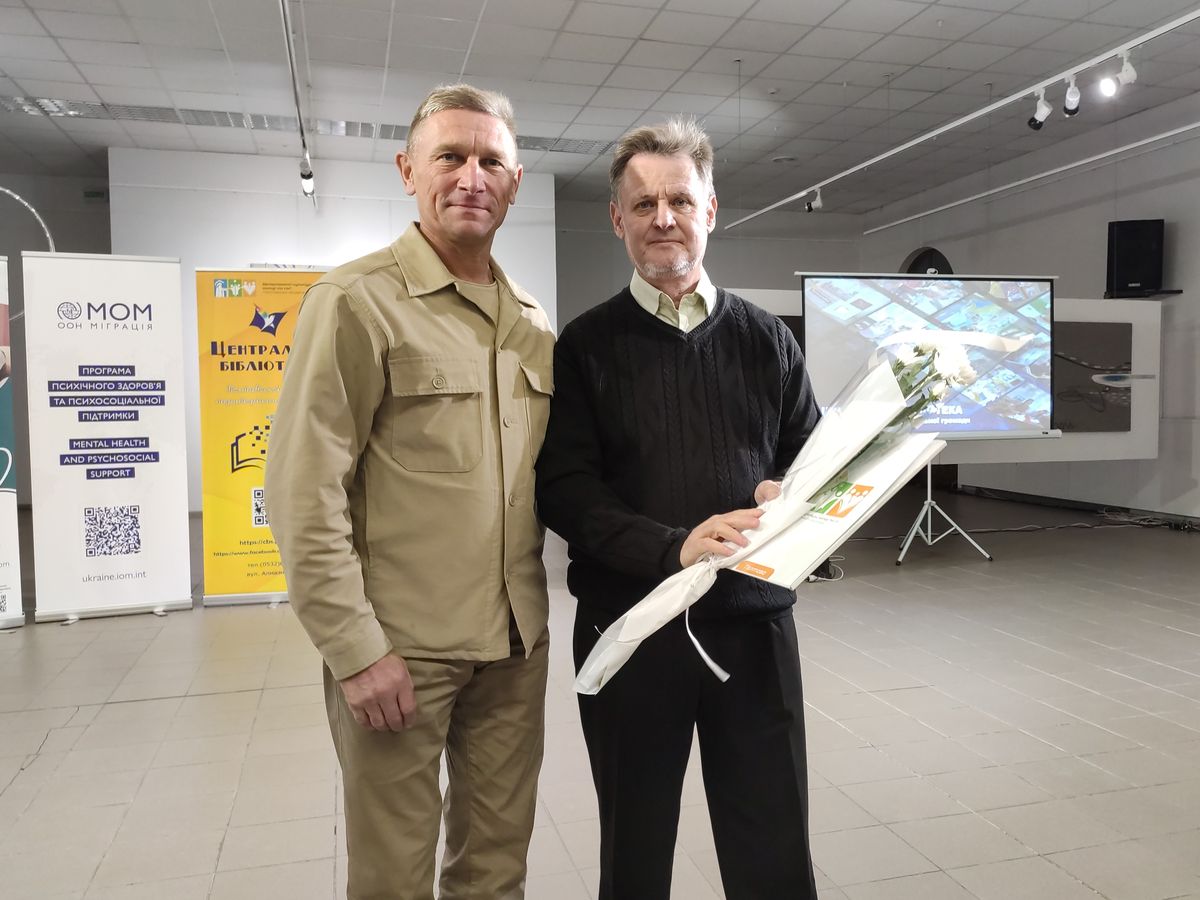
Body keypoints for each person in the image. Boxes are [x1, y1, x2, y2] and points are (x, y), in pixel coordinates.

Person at [265, 83, 555, 900]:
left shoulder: (531, 321)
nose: (471, 177)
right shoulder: (356, 303)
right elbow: (302, 491)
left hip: (514, 651)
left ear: (515, 182)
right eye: (450, 156)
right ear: (407, 170)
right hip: (401, 653)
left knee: (496, 871)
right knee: (392, 878)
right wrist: (354, 650)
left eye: (491, 161)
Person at [535, 118, 822, 900]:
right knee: (635, 854)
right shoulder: (584, 347)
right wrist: (673, 547)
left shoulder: (769, 341)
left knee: (773, 850)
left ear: (711, 210)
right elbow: (565, 487)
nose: (664, 218)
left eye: (681, 201)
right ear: (617, 218)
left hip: (754, 630)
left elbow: (812, 459)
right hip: (633, 628)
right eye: (644, 203)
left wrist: (792, 495)